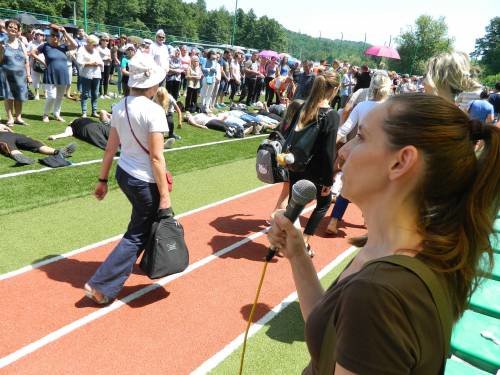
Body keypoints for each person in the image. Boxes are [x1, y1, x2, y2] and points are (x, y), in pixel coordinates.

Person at [268, 93, 500, 374]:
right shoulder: (396, 251)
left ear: (400, 162)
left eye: (362, 137)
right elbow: (331, 328)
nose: (344, 150)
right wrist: (297, 254)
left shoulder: (379, 292)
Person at [84, 52, 172, 305]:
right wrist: (165, 195)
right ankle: (102, 284)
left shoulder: (119, 106)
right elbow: (157, 157)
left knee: (142, 226)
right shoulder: (154, 111)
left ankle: (140, 265)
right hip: (144, 180)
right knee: (138, 233)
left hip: (125, 174)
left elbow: (110, 148)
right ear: (151, 83)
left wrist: (103, 180)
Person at [326, 74, 393, 235]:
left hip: (357, 149)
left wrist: (329, 145)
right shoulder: (391, 108)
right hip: (379, 153)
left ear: (372, 87)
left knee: (348, 186)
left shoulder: (362, 106)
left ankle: (334, 221)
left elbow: (344, 129)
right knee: (376, 189)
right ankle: (367, 221)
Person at [285, 71, 340, 256]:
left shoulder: (303, 107)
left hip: (296, 164)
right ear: (334, 90)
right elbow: (328, 152)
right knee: (323, 203)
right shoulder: (331, 115)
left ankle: (285, 238)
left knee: (294, 203)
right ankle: (305, 241)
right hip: (315, 170)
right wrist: (328, 181)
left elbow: (289, 133)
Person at [32, 25, 77, 123]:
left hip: (63, 75)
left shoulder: (63, 47)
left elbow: (75, 45)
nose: (55, 37)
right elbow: (32, 52)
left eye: (57, 35)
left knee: (60, 97)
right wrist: (42, 61)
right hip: (50, 74)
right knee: (51, 96)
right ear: (49, 36)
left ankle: (57, 114)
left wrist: (65, 32)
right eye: (53, 35)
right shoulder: (45, 46)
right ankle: (45, 114)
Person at [0, 19, 31, 126]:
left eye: (15, 28)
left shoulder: (21, 43)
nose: (13, 29)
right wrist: (1, 51)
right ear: (6, 29)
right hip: (6, 74)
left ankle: (18, 117)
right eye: (10, 27)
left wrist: (28, 75)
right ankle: (10, 118)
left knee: (19, 97)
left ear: (18, 30)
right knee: (8, 97)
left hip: (21, 75)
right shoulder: (2, 42)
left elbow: (26, 60)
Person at [0, 123, 75, 165]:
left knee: (35, 143)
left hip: (14, 135)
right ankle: (20, 157)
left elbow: (11, 131)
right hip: (2, 136)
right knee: (8, 145)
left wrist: (5, 127)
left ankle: (58, 152)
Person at [76, 35, 103, 118]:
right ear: (89, 43)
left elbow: (100, 61)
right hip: (86, 74)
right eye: (94, 45)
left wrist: (98, 63)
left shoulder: (96, 50)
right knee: (85, 94)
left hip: (96, 74)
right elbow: (79, 62)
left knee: (95, 93)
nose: (96, 47)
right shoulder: (81, 49)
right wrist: (90, 64)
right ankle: (84, 112)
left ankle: (94, 111)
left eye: (96, 45)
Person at [27, 29, 45, 101]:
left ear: (43, 36)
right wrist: (33, 53)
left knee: (44, 80)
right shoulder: (31, 43)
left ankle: (45, 93)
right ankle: (37, 94)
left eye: (40, 34)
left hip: (44, 64)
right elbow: (27, 53)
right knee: (35, 80)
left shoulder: (45, 44)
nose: (39, 36)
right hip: (34, 64)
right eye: (37, 34)